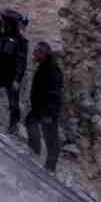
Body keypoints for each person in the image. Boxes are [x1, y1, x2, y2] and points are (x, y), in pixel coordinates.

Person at [0, 10, 29, 132]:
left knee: (13, 103)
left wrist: (17, 79)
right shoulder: (8, 36)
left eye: (5, 22)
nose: (4, 24)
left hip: (12, 77)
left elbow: (21, 62)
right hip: (0, 73)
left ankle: (14, 127)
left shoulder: (21, 41)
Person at [26, 42, 64, 172]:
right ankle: (34, 153)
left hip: (47, 111)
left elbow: (54, 94)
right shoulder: (44, 66)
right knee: (30, 122)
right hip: (40, 108)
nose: (34, 54)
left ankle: (50, 167)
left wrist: (49, 113)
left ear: (44, 53)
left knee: (51, 138)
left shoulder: (52, 69)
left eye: (37, 51)